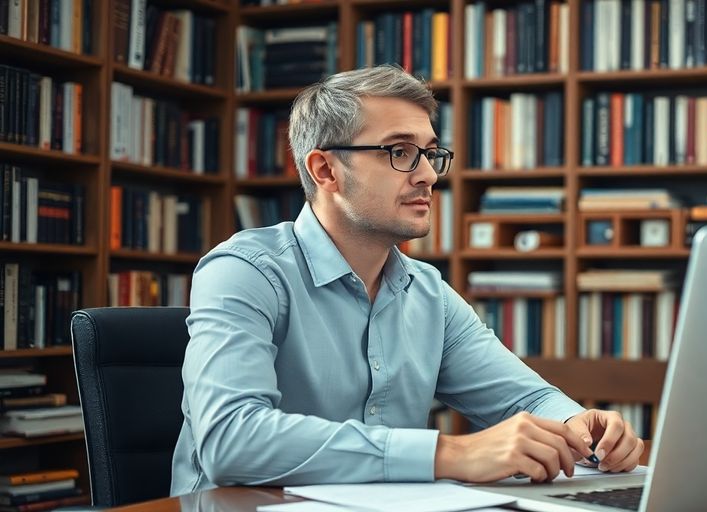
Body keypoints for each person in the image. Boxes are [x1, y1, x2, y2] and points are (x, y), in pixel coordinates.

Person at [169, 65, 644, 495]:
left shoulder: (428, 292)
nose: (427, 176)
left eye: (430, 154)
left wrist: (580, 425)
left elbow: (524, 397)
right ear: (325, 169)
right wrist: (451, 454)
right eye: (400, 152)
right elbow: (231, 438)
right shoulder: (244, 271)